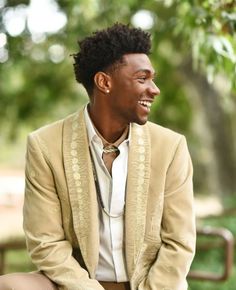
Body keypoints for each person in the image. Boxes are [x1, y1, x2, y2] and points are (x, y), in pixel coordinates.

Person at [0, 23, 196, 290]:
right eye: (142, 78)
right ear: (104, 82)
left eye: (153, 78)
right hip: (78, 284)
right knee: (10, 285)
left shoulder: (171, 147)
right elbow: (45, 243)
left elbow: (180, 242)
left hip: (150, 285)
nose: (154, 89)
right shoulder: (45, 145)